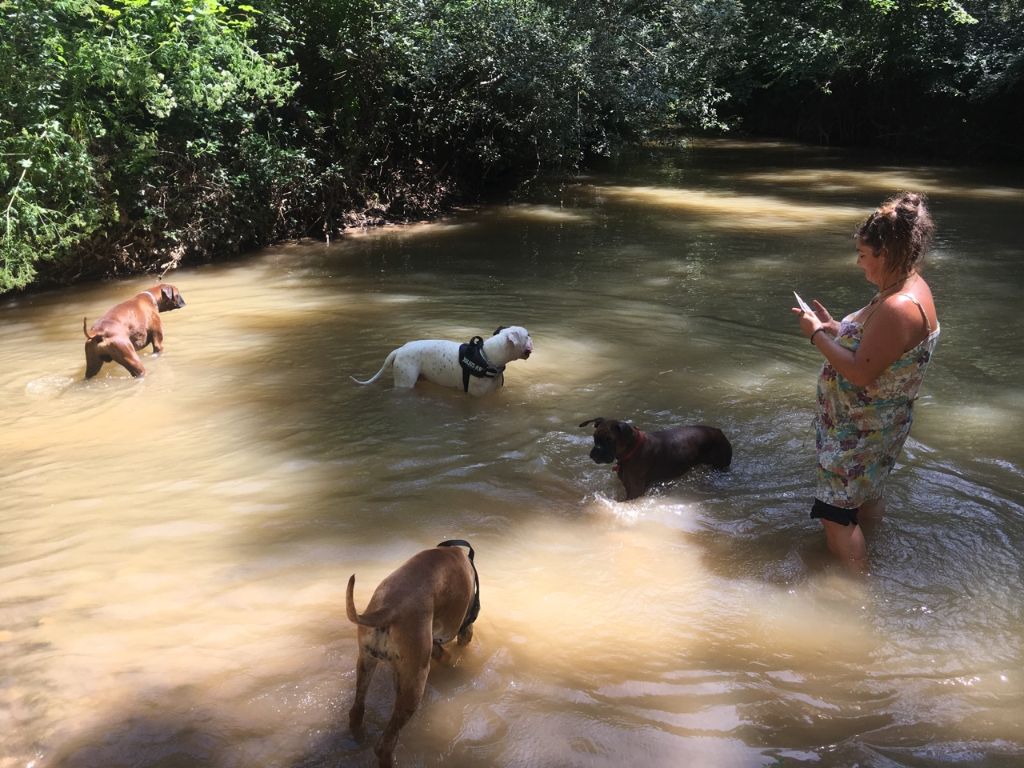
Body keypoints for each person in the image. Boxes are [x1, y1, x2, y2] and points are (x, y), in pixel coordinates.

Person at [793, 192, 940, 574]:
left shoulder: (899, 305)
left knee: (834, 514)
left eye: (862, 254)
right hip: (871, 426)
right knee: (864, 495)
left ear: (886, 253)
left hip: (862, 431)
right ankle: (868, 546)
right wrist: (836, 328)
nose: (858, 263)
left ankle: (853, 592)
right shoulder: (902, 288)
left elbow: (861, 372)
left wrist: (817, 337)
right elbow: (880, 349)